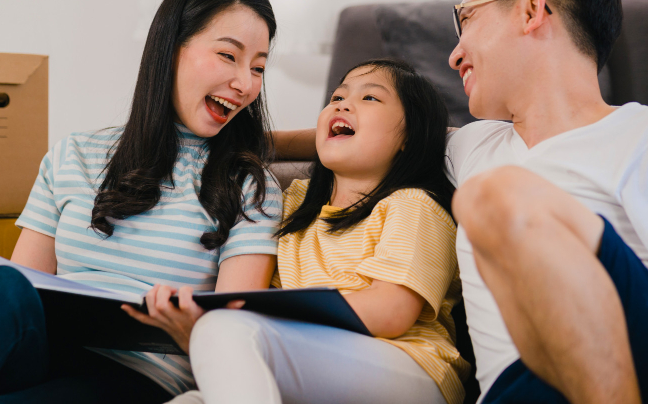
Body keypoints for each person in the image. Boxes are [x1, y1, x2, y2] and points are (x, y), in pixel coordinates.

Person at [275, 0, 648, 404]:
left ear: (531, 9)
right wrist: (242, 137)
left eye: (468, 19)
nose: (454, 53)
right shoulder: (471, 147)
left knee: (493, 197)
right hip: (517, 388)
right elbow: (378, 134)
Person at [0, 0, 284, 404]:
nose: (246, 84)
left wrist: (189, 329)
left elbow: (236, 344)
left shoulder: (251, 189)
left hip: (139, 377)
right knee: (3, 285)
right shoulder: (76, 155)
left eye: (258, 68)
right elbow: (29, 287)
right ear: (171, 48)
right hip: (46, 354)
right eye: (228, 56)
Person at [171, 59, 470, 404]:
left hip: (411, 367)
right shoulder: (294, 203)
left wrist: (265, 321)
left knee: (226, 329)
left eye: (370, 98)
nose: (342, 103)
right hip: (320, 365)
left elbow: (390, 313)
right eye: (336, 97)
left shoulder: (413, 205)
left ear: (410, 136)